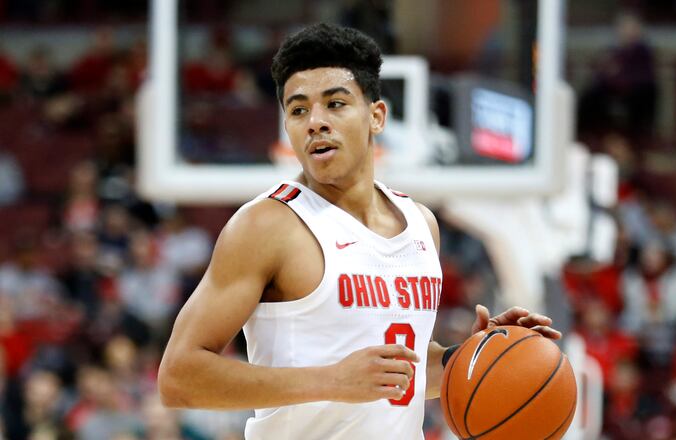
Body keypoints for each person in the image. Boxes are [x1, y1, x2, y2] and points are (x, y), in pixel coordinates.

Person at [158, 23, 560, 439]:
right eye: (298, 110)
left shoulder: (422, 224)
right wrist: (332, 381)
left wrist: (480, 356)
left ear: (376, 116)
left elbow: (396, 376)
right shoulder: (268, 224)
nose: (315, 122)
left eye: (335, 104)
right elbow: (178, 378)